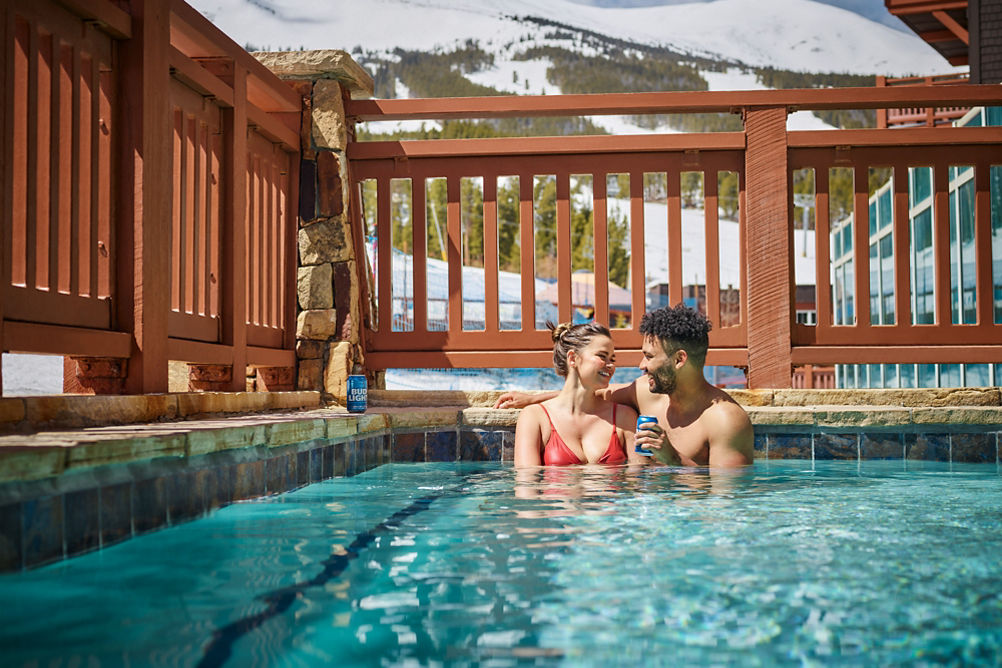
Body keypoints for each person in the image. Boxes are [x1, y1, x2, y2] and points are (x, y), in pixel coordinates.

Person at [499, 304, 754, 468]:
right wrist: (533, 400)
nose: (641, 365)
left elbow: (726, 508)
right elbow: (592, 391)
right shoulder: (645, 392)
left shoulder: (725, 421)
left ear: (679, 360)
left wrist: (673, 459)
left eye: (650, 357)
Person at [514, 321, 650, 468]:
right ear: (573, 358)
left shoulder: (624, 417)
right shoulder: (535, 417)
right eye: (602, 356)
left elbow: (638, 482)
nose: (610, 365)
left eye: (612, 359)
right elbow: (526, 484)